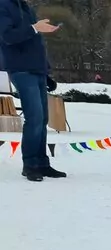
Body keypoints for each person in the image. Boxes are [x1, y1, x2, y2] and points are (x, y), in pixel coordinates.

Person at [0, 0, 66, 181]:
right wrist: (34, 28)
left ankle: (42, 163)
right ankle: (29, 165)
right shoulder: (3, 6)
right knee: (34, 117)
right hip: (20, 68)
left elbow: (35, 44)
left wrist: (46, 73)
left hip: (36, 69)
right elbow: (6, 36)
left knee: (43, 118)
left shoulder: (26, 8)